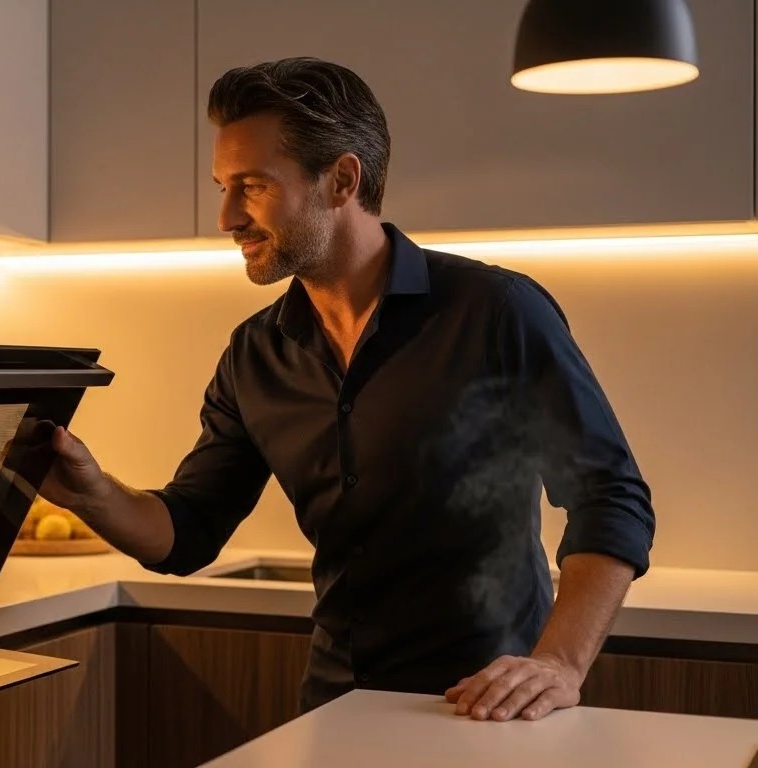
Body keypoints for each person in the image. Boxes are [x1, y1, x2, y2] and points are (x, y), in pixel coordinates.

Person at [38, 56, 655, 722]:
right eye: (222, 187)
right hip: (335, 704)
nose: (226, 216)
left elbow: (609, 495)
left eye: (251, 186)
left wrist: (558, 663)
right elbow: (189, 530)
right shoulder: (254, 355)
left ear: (340, 180)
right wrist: (94, 494)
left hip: (487, 708)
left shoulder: (495, 312)